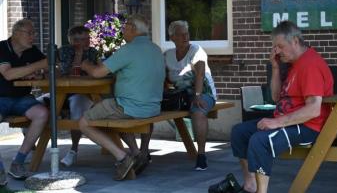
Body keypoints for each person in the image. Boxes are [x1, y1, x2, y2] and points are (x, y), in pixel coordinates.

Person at [211, 21, 334, 193]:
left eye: (280, 46)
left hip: (308, 126)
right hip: (290, 121)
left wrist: (277, 123)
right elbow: (276, 97)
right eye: (274, 46)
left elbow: (313, 109)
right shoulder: (294, 64)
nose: (276, 51)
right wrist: (275, 68)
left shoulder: (310, 65)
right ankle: (250, 186)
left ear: (295, 41)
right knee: (239, 132)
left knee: (260, 140)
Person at [78, 15, 165, 180]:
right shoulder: (155, 49)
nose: (122, 30)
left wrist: (86, 65)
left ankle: (122, 158)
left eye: (124, 27)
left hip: (130, 107)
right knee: (111, 109)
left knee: (84, 122)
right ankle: (138, 153)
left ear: (133, 29)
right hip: (153, 107)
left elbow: (97, 73)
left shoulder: (128, 49)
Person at [164, 20, 217, 171]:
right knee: (150, 107)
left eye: (186, 33)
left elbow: (200, 74)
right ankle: (143, 153)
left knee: (198, 111)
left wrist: (198, 96)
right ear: (172, 37)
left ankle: (201, 155)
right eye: (181, 34)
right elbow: (161, 76)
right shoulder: (167, 55)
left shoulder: (196, 50)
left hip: (203, 92)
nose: (185, 36)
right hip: (180, 95)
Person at [0, 19, 49, 180]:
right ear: (16, 34)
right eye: (30, 33)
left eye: (33, 33)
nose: (33, 37)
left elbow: (51, 67)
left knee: (42, 114)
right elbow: (8, 74)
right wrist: (37, 66)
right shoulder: (1, 48)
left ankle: (18, 162)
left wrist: (40, 74)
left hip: (22, 98)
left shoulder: (32, 51)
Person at [58, 25, 98, 167]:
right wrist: (79, 54)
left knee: (77, 108)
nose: (86, 42)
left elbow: (95, 72)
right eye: (81, 39)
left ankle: (73, 151)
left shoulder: (93, 52)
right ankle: (33, 148)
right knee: (37, 105)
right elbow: (67, 73)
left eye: (87, 38)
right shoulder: (64, 51)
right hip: (62, 92)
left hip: (85, 93)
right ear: (72, 41)